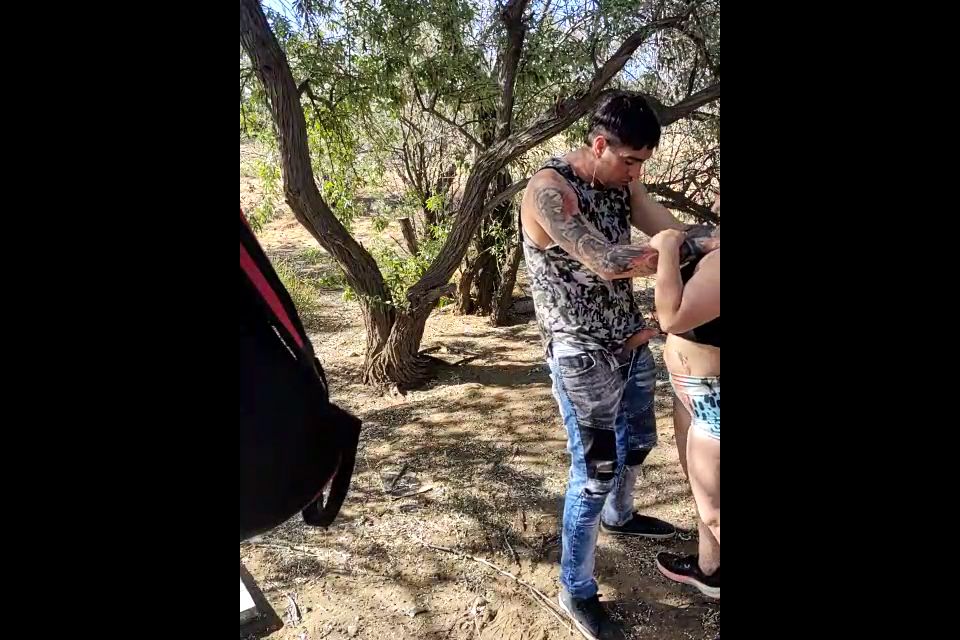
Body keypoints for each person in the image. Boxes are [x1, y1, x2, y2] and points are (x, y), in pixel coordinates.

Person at [519, 90, 713, 640]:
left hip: (629, 341)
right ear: (600, 145)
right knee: (594, 474)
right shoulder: (549, 190)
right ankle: (576, 590)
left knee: (640, 442)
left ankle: (621, 517)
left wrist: (703, 240)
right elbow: (605, 260)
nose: (636, 173)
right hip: (580, 354)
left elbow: (671, 229)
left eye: (642, 163)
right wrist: (677, 252)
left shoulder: (624, 182)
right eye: (630, 161)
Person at [648, 221, 720, 600]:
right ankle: (710, 568)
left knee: (715, 508)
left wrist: (668, 248)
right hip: (694, 390)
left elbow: (671, 317)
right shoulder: (712, 243)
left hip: (711, 396)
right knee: (703, 491)